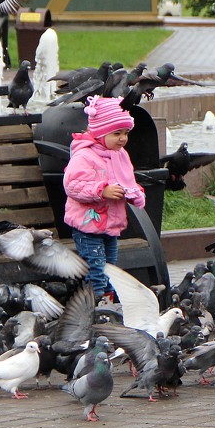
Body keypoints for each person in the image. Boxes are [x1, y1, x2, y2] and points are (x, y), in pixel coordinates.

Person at [63, 96, 145, 299]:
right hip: (88, 225)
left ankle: (108, 303)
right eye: (117, 133)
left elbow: (127, 181)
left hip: (110, 225)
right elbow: (72, 186)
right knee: (96, 269)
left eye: (126, 133)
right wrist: (102, 190)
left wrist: (134, 193)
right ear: (100, 132)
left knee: (110, 268)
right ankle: (95, 303)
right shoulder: (85, 156)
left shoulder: (119, 155)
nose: (123, 138)